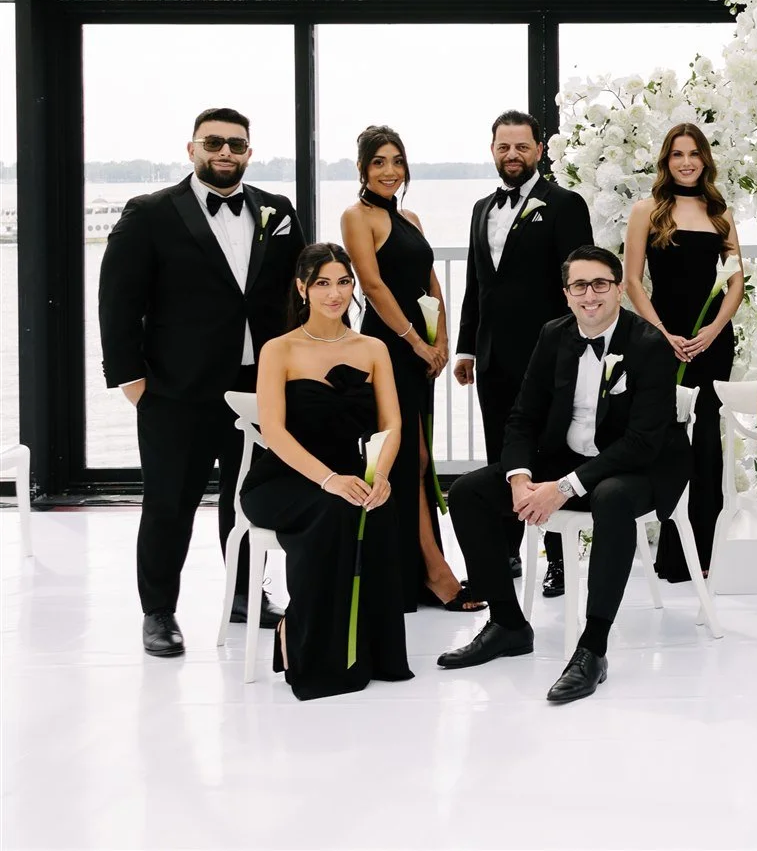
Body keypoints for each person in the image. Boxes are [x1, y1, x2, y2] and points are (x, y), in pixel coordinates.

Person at [438, 246, 690, 704]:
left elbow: (642, 443)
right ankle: (508, 625)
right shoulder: (554, 334)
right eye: (579, 285)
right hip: (566, 459)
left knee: (610, 498)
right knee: (469, 492)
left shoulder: (649, 344)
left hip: (639, 467)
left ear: (619, 290)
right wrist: (519, 477)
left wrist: (564, 488)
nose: (589, 295)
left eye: (600, 284)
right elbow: (522, 416)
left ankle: (593, 648)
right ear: (566, 293)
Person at [98, 107, 303, 658]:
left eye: (236, 145)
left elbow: (296, 294)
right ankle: (158, 612)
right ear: (191, 148)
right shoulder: (150, 213)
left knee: (249, 501)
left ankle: (245, 598)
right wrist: (130, 381)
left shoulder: (276, 211)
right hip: (175, 391)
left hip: (257, 389)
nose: (225, 153)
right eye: (213, 142)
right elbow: (118, 303)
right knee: (170, 503)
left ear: (249, 153)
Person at [239, 243, 412, 700]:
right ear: (302, 288)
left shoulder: (373, 348)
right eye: (322, 283)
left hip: (353, 475)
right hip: (283, 478)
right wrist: (329, 480)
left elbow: (393, 424)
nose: (334, 294)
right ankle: (299, 636)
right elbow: (273, 431)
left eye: (343, 282)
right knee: (333, 511)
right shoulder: (279, 349)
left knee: (374, 512)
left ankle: (368, 654)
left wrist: (381, 476)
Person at [339, 127, 480, 614]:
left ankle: (422, 571)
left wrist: (443, 341)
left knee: (418, 459)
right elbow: (374, 288)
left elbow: (430, 280)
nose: (389, 171)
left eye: (397, 161)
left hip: (421, 350)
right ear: (362, 168)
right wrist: (417, 343)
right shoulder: (356, 217)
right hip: (385, 349)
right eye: (378, 162)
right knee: (404, 458)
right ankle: (433, 574)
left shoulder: (411, 216)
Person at [454, 110, 594, 587]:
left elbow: (578, 282)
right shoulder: (480, 209)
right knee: (503, 456)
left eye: (521, 146)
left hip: (549, 355)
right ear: (492, 150)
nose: (512, 155)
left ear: (539, 150)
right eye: (503, 147)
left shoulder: (565, 204)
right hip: (492, 358)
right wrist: (467, 348)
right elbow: (477, 283)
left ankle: (559, 558)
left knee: (551, 452)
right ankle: (506, 552)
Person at [623, 122, 743, 578]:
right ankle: (672, 557)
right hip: (663, 342)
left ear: (705, 159)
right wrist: (661, 335)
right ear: (666, 161)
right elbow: (632, 281)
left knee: (707, 441)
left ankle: (707, 555)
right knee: (670, 440)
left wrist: (712, 330)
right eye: (677, 154)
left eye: (694, 153)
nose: (687, 161)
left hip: (711, 342)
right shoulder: (647, 210)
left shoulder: (720, 213)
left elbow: (736, 283)